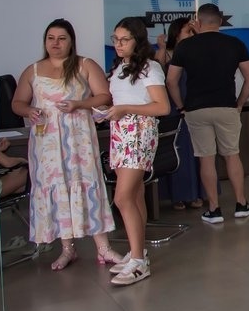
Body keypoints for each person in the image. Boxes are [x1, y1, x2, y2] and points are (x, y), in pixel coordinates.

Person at [10, 19, 121, 270]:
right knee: (57, 187)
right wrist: (29, 110)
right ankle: (67, 248)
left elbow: (104, 96)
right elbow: (17, 103)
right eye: (51, 38)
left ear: (71, 41)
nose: (56, 43)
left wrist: (79, 104)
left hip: (79, 139)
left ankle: (103, 248)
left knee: (86, 184)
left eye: (62, 38)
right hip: (46, 141)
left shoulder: (84, 65)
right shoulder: (33, 70)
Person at [167, 3, 249, 224]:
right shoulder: (235, 43)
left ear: (198, 22)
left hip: (196, 109)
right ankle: (241, 204)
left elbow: (171, 81)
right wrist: (239, 103)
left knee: (206, 160)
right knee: (232, 155)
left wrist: (181, 106)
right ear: (220, 22)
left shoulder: (185, 46)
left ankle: (214, 210)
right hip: (226, 106)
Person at [104, 17, 170, 286]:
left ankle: (138, 262)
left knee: (122, 198)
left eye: (124, 40)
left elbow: (162, 107)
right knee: (135, 194)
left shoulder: (150, 68)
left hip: (139, 132)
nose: (118, 44)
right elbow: (122, 100)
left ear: (137, 41)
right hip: (121, 132)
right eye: (115, 39)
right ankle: (136, 252)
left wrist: (125, 110)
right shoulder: (120, 67)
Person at [157, 18, 203, 210]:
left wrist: (199, 35)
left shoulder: (196, 52)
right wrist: (161, 47)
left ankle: (196, 194)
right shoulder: (167, 53)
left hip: (195, 107)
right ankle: (178, 196)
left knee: (197, 152)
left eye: (193, 31)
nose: (191, 35)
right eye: (187, 31)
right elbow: (159, 73)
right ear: (176, 34)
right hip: (174, 111)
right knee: (178, 152)